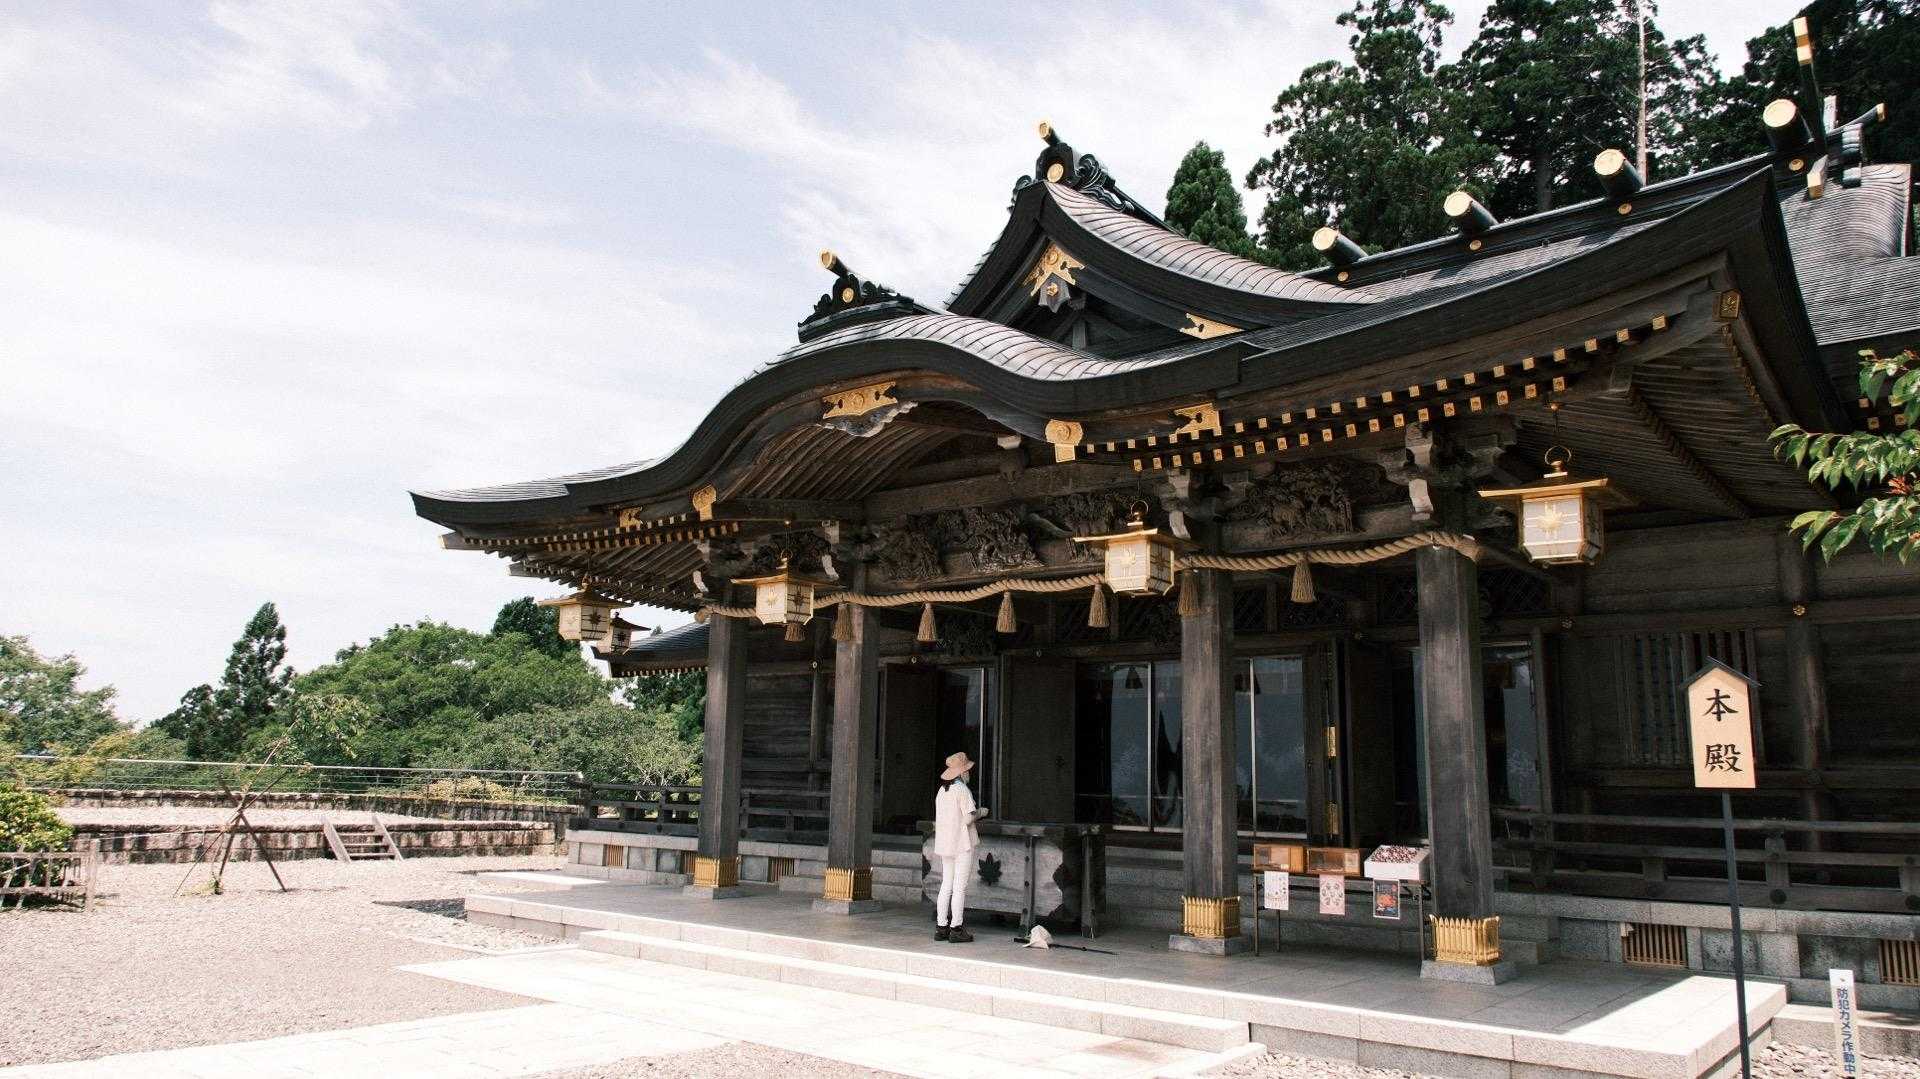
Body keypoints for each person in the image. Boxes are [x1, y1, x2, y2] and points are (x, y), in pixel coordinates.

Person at [932, 751, 984, 943]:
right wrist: (980, 812)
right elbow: (969, 817)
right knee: (959, 887)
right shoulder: (962, 790)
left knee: (946, 884)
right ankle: (956, 928)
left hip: (945, 844)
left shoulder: (941, 791)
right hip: (961, 843)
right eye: (967, 770)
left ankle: (941, 927)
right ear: (962, 772)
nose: (968, 773)